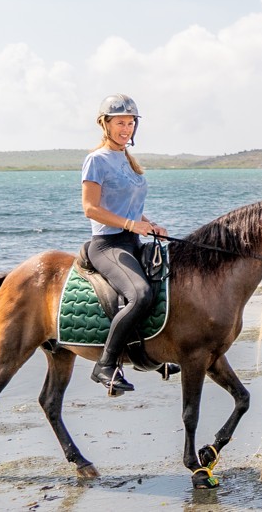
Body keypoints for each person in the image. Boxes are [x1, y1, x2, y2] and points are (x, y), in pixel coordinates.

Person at [81, 93, 169, 393]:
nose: (126, 129)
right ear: (105, 124)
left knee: (168, 284)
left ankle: (154, 354)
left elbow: (126, 205)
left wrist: (149, 223)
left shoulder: (126, 160)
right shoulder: (96, 160)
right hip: (108, 244)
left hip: (132, 240)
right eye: (120, 123)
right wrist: (133, 224)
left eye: (131, 123)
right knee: (141, 294)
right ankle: (105, 365)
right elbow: (90, 208)